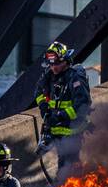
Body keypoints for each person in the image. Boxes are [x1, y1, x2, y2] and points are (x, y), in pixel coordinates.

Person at [34, 41, 92, 178]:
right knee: (68, 164)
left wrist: (60, 115)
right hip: (55, 129)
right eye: (51, 64)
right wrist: (44, 108)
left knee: (67, 165)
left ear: (65, 61)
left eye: (57, 64)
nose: (54, 67)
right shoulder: (49, 75)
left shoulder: (75, 77)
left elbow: (83, 104)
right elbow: (38, 91)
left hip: (73, 130)